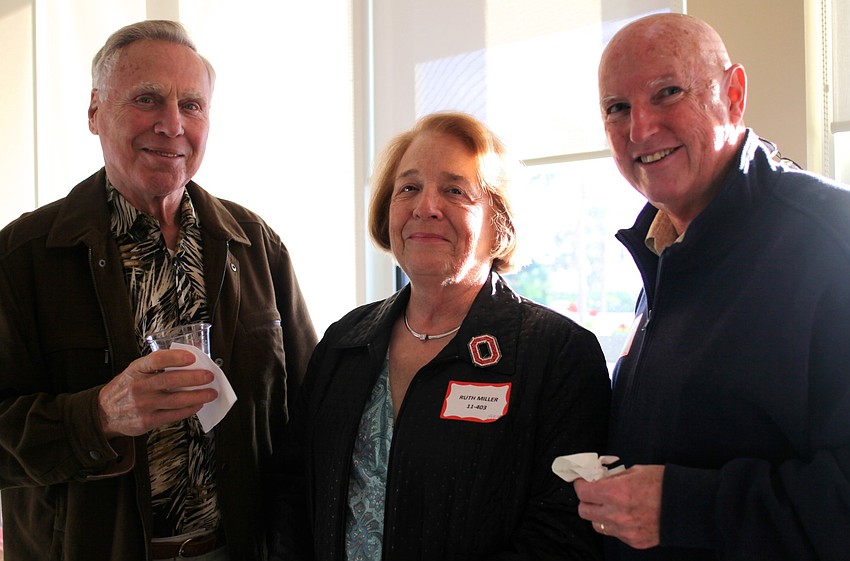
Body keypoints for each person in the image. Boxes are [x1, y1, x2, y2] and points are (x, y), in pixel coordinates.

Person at [0, 20, 317, 561]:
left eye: (191, 105)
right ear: (95, 112)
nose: (172, 125)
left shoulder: (255, 246)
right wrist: (98, 415)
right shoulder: (23, 257)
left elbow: (309, 412)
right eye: (147, 99)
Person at [268, 112, 611, 560]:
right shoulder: (344, 342)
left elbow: (561, 533)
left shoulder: (557, 354)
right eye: (408, 188)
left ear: (499, 223)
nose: (424, 206)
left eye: (454, 191)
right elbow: (294, 494)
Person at [573, 13, 850, 561]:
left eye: (668, 92)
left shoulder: (830, 242)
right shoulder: (662, 250)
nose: (640, 130)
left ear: (734, 93)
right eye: (617, 108)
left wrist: (681, 507)